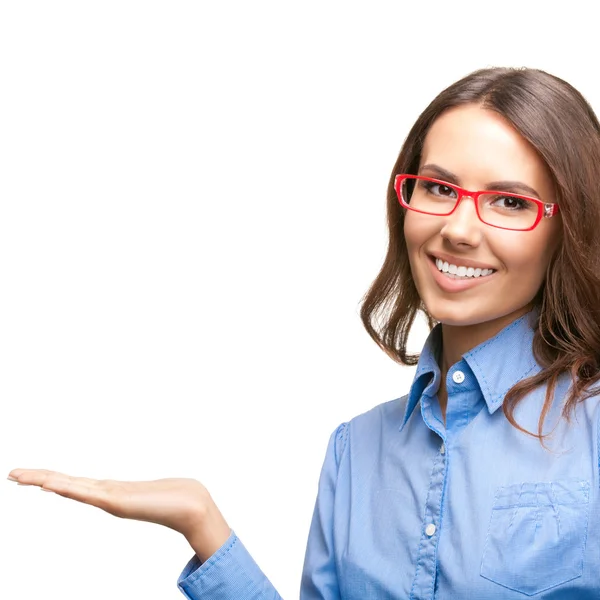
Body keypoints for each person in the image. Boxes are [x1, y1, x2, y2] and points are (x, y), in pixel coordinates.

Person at [8, 66, 600, 599]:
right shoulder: (356, 450)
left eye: (509, 202)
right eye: (439, 189)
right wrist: (204, 525)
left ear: (569, 226)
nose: (460, 230)